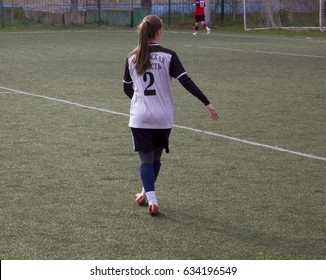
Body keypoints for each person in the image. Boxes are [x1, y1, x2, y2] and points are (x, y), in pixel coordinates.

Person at [123, 14, 219, 216]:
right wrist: (207, 103)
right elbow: (186, 81)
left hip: (140, 117)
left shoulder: (132, 57)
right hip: (163, 117)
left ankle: (151, 198)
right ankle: (147, 195)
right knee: (155, 160)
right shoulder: (169, 56)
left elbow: (126, 88)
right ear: (159, 32)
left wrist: (140, 101)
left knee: (145, 161)